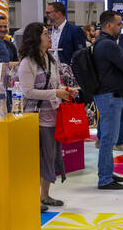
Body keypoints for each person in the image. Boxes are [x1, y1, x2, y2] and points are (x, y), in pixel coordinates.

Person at [18, 22, 80, 213]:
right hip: (35, 118)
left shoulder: (51, 60)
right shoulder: (27, 62)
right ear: (36, 37)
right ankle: (32, 197)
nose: (49, 36)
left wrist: (66, 91)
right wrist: (56, 93)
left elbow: (54, 85)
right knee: (37, 159)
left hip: (54, 115)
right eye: (46, 33)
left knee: (51, 157)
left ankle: (45, 195)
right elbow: (28, 92)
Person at [93, 10, 123, 190]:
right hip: (110, 96)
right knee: (108, 139)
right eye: (119, 24)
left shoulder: (102, 43)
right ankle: (104, 178)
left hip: (109, 95)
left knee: (109, 138)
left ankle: (107, 173)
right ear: (108, 25)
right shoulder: (108, 45)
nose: (121, 27)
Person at [45, 1, 86, 68]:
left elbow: (81, 55)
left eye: (48, 13)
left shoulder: (75, 31)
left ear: (58, 13)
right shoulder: (47, 32)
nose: (45, 15)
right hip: (51, 73)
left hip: (68, 73)